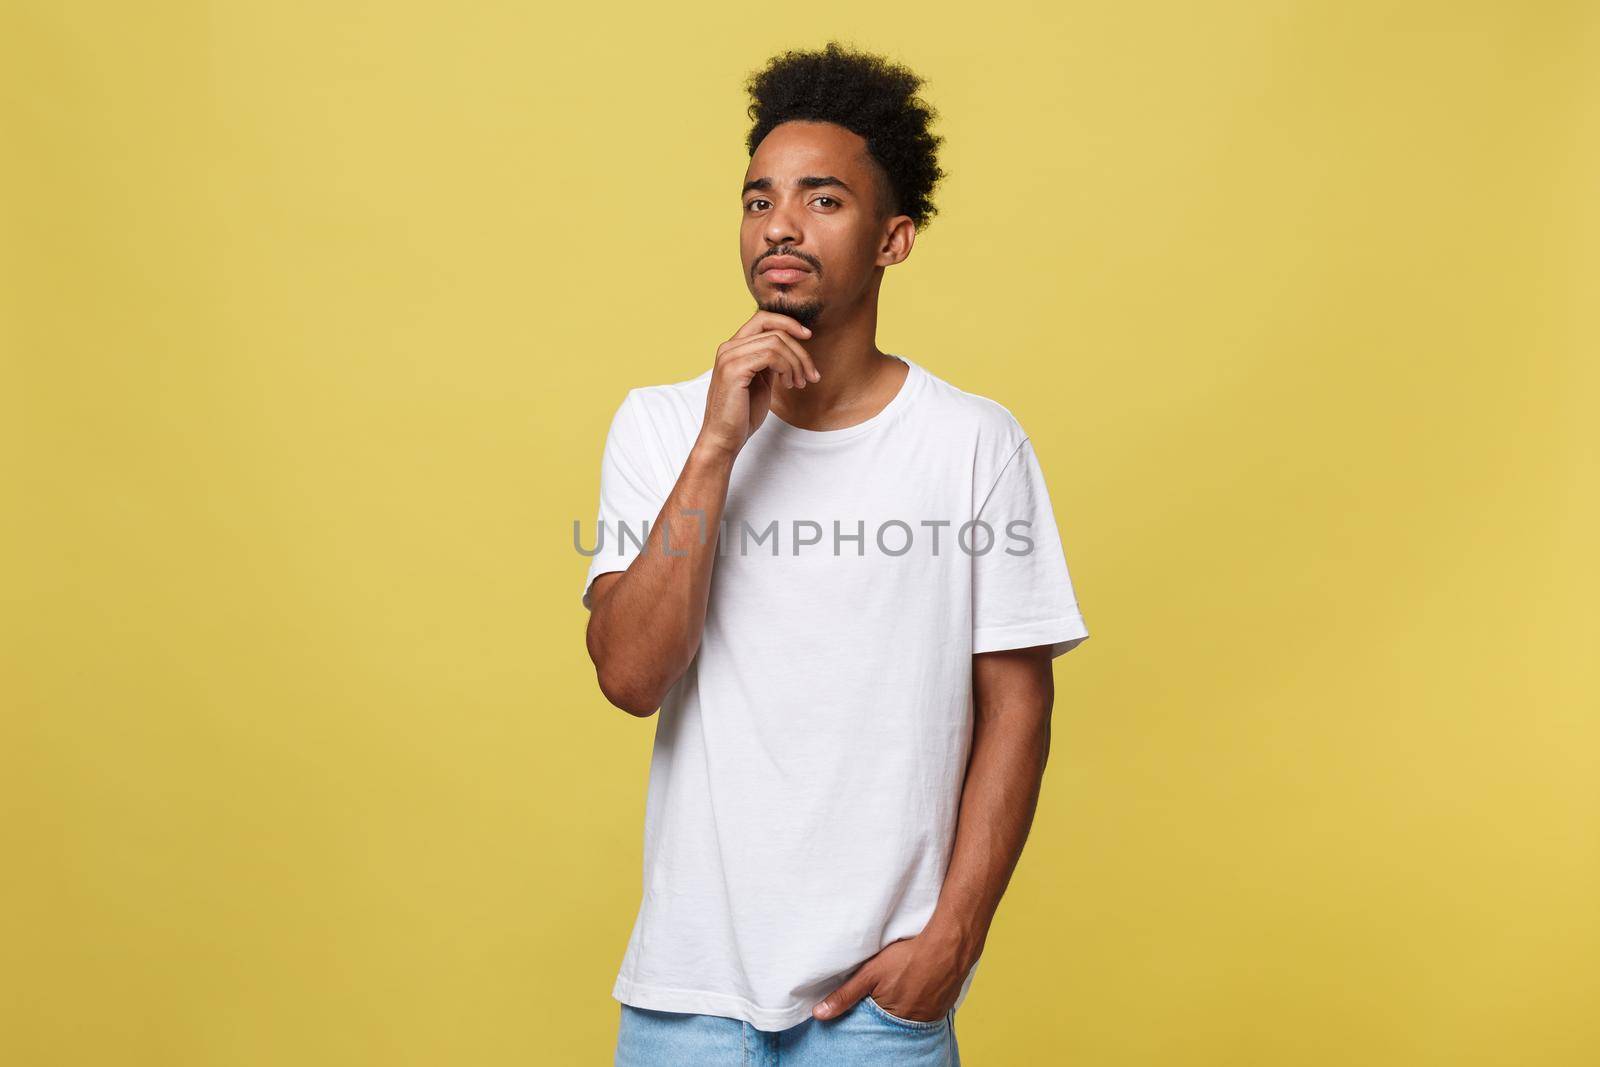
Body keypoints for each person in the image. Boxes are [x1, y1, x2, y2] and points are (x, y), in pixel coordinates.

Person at [582, 40, 1091, 1066]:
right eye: (758, 197)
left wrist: (952, 938)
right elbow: (630, 675)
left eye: (823, 200)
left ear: (892, 239)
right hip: (688, 994)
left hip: (877, 1007)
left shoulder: (972, 442)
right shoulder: (660, 426)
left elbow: (1018, 703)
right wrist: (721, 441)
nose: (779, 224)